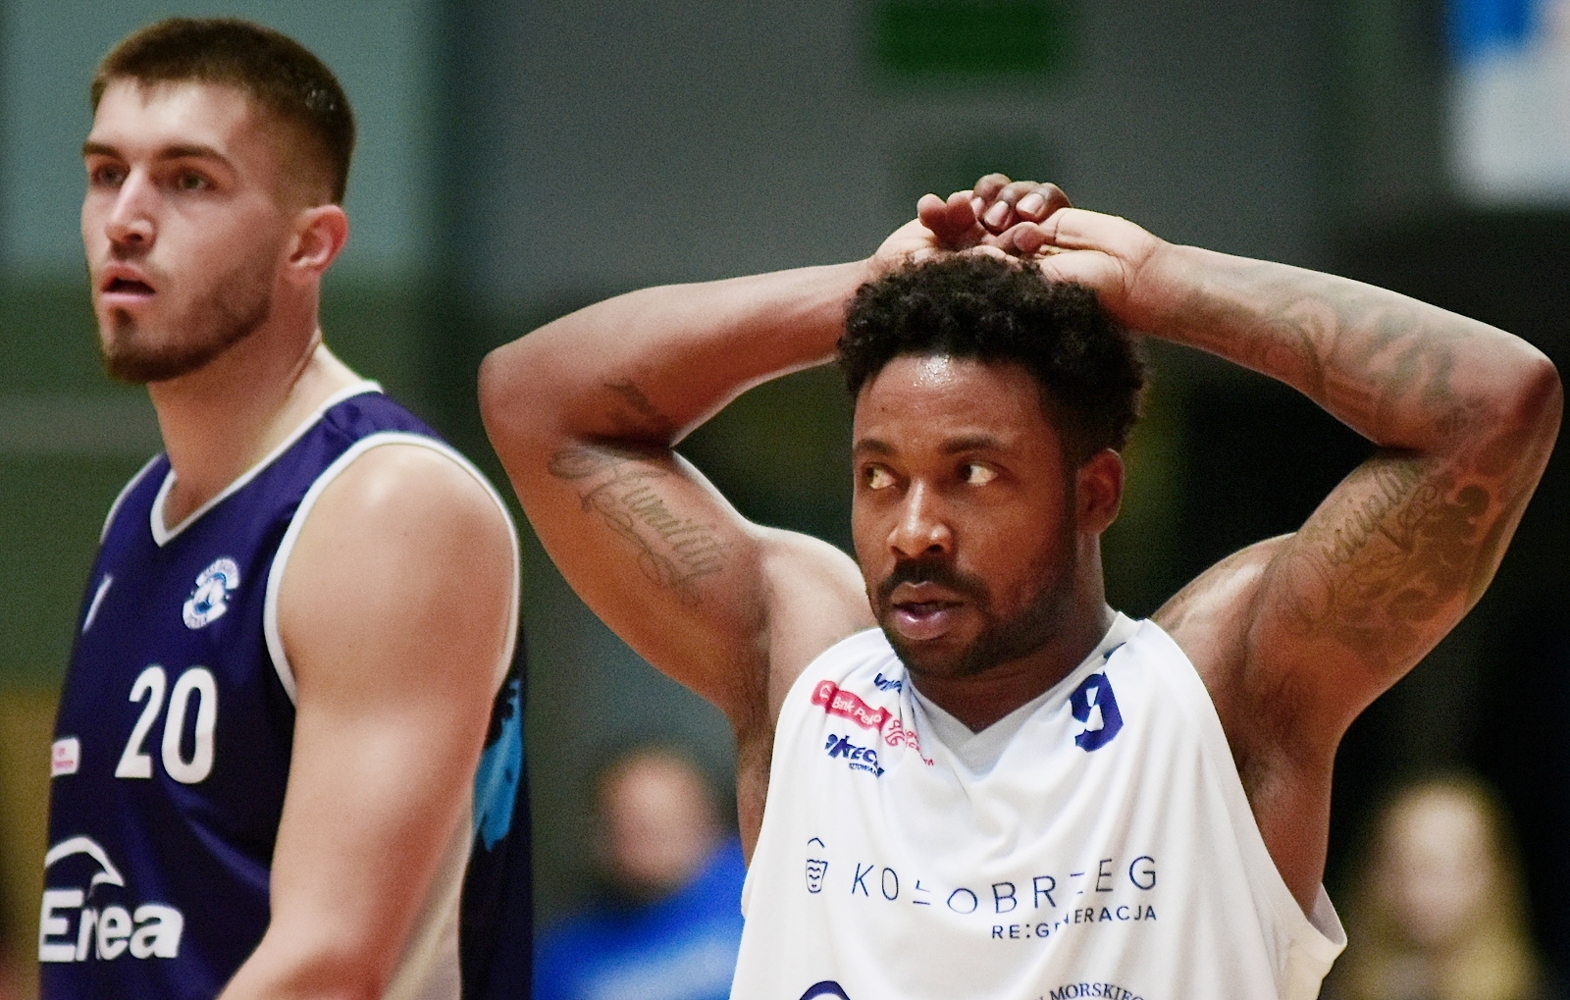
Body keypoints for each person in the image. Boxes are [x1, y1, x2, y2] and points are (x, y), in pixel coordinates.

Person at [478, 176, 1561, 1000]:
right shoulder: (804, 662)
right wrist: (867, 294)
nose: (913, 528)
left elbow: (1496, 404)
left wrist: (1160, 283)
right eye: (878, 477)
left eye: (974, 474)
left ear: (1095, 492)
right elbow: (532, 399)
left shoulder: (1216, 689)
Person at [43, 19, 528, 1000]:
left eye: (189, 180)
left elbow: (328, 964)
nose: (126, 219)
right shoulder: (139, 512)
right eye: (106, 174)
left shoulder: (387, 503)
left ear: (310, 244)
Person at [533, 747, 746, 1000]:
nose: (647, 842)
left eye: (662, 822)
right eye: (630, 825)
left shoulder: (758, 891)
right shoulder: (568, 956)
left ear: (706, 819)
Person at [1329, 776, 1557, 1000]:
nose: (1421, 887)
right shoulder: (1335, 986)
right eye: (1403, 865)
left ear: (1495, 873)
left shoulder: (1533, 990)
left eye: (1447, 866)